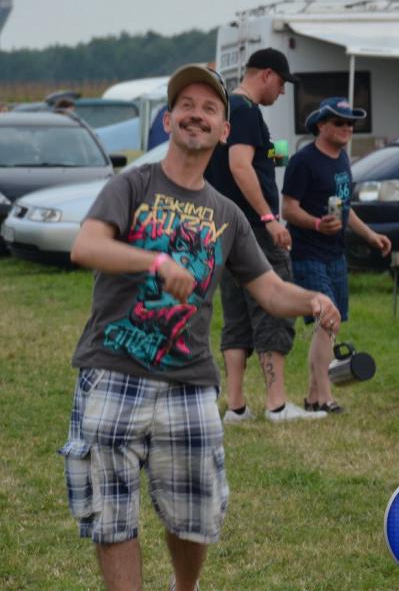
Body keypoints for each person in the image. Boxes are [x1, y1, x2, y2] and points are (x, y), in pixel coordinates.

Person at [60, 63, 341, 591]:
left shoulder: (227, 214)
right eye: (185, 106)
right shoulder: (132, 185)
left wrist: (312, 299)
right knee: (112, 517)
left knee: (197, 515)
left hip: (188, 381)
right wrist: (155, 262)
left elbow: (269, 291)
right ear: (168, 121)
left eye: (209, 108)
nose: (197, 115)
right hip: (113, 370)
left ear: (224, 129)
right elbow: (87, 245)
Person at [206, 48, 326, 423]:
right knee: (273, 307)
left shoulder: (231, 110)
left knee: (237, 315)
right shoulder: (244, 110)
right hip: (254, 230)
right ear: (267, 75)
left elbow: (259, 158)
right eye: (282, 83)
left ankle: (237, 407)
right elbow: (240, 166)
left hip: (226, 229)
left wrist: (292, 150)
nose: (283, 92)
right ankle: (276, 404)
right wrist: (270, 218)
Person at [281, 97, 391, 412]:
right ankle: (325, 397)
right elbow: (288, 208)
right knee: (327, 320)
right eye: (339, 122)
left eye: (351, 123)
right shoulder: (303, 161)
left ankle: (314, 397)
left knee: (330, 323)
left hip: (335, 254)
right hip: (308, 253)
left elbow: (345, 209)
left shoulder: (342, 159)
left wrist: (370, 235)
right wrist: (317, 223)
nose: (347, 128)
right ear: (321, 125)